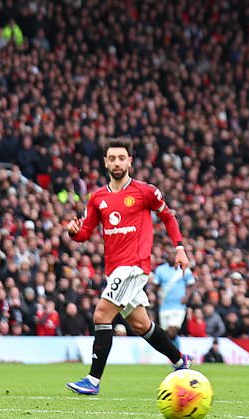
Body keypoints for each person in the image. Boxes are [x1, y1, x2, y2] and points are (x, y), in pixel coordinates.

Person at [64, 137, 192, 395]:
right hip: (115, 269)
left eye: (122, 158)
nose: (117, 162)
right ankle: (181, 362)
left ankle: (93, 380)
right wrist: (73, 232)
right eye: (112, 158)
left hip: (135, 266)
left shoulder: (145, 192)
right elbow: (85, 233)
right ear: (105, 162)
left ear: (130, 161)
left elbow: (168, 216)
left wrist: (179, 247)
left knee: (102, 314)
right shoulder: (98, 198)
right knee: (142, 325)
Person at [151, 246, 196, 343]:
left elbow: (191, 284)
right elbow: (156, 285)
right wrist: (156, 294)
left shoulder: (184, 269)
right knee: (166, 331)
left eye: (173, 254)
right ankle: (171, 353)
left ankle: (174, 351)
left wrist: (187, 296)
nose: (171, 256)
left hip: (178, 305)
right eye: (169, 254)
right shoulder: (160, 270)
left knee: (173, 329)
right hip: (164, 305)